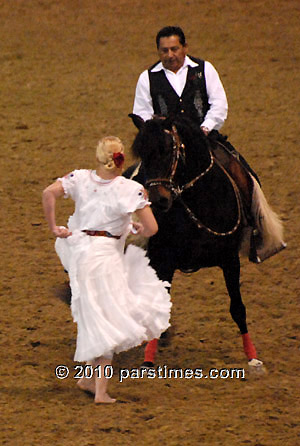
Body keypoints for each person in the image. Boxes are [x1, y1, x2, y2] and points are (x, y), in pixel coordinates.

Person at [132, 25, 285, 264]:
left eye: (174, 49)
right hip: (166, 145)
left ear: (184, 48)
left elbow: (219, 104)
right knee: (134, 182)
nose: (170, 55)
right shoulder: (147, 78)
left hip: (203, 139)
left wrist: (205, 127)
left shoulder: (205, 70)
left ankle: (258, 234)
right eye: (164, 51)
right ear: (158, 52)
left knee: (247, 176)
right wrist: (158, 133)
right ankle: (134, 240)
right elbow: (141, 113)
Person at [42, 136, 172, 403]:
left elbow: (48, 193)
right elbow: (153, 229)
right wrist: (136, 227)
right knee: (108, 321)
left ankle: (88, 379)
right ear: (121, 158)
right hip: (104, 258)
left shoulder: (79, 178)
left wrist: (54, 227)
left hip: (78, 253)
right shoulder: (130, 189)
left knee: (95, 316)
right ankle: (100, 392)